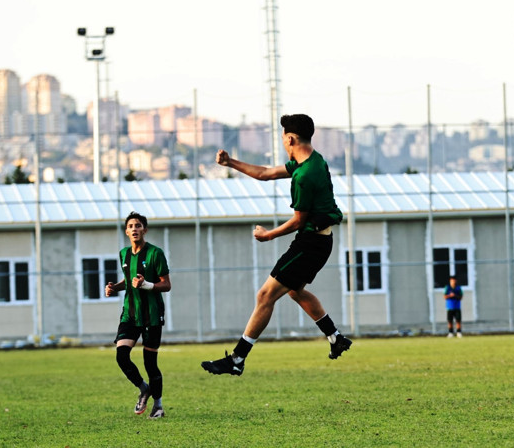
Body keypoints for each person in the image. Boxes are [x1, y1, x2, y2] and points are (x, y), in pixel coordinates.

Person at [202, 113, 351, 376]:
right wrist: (230, 162)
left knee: (265, 296)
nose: (283, 142)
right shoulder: (311, 162)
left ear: (291, 138)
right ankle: (335, 337)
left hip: (310, 244)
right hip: (318, 240)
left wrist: (268, 235)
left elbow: (297, 221)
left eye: (283, 138)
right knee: (294, 291)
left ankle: (237, 359)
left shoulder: (305, 175)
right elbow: (266, 173)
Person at [105, 211, 172, 419]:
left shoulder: (155, 253)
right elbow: (128, 280)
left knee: (150, 363)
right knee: (121, 356)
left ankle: (158, 406)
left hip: (152, 315)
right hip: (130, 315)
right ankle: (144, 388)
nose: (135, 229)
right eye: (131, 226)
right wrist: (115, 287)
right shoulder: (123, 254)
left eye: (138, 225)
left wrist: (147, 285)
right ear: (126, 231)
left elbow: (167, 284)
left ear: (145, 229)